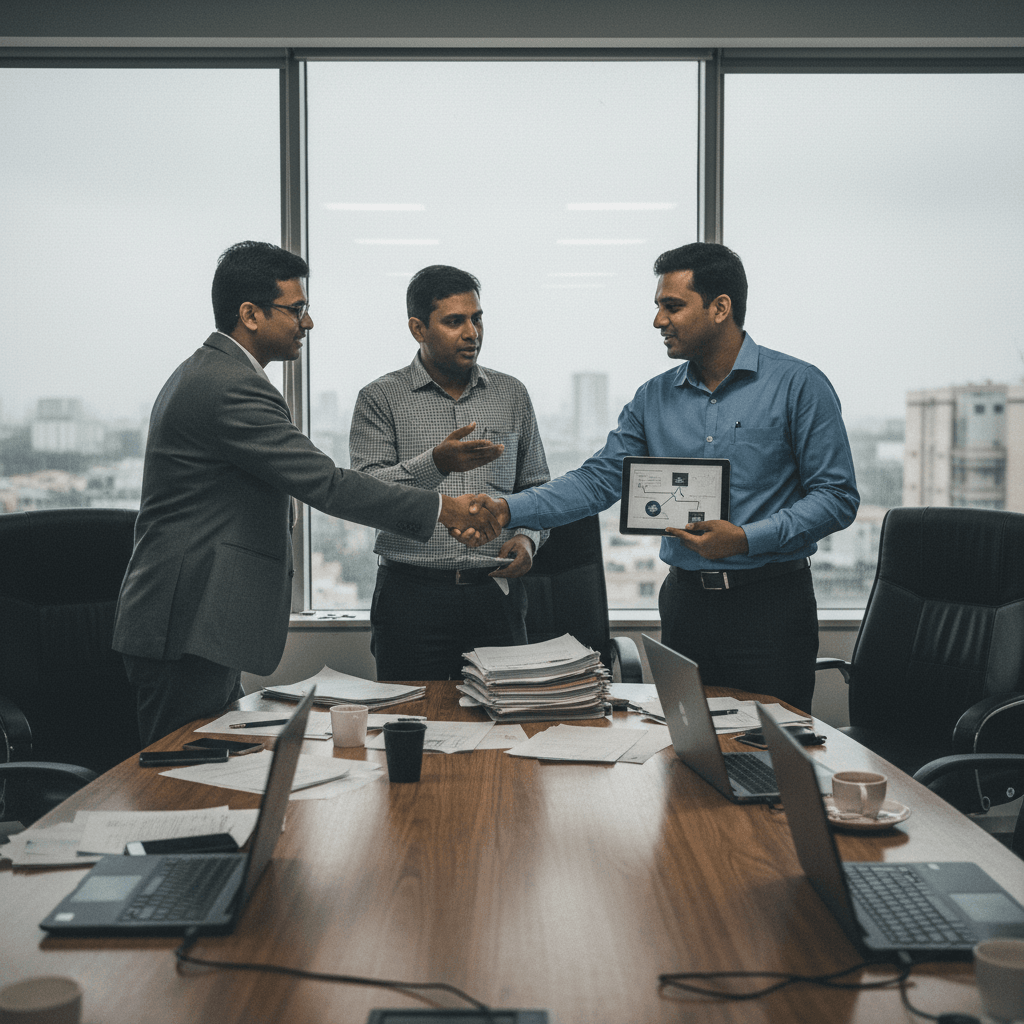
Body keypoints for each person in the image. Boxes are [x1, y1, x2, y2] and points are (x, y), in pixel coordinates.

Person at [112, 241, 500, 744]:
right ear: (250, 314)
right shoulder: (230, 386)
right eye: (297, 309)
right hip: (187, 624)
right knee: (181, 782)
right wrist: (442, 508)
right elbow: (324, 483)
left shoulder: (211, 372)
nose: (308, 322)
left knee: (207, 770)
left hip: (195, 622)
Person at [464, 243, 858, 710]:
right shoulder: (653, 399)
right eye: (657, 307)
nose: (658, 321)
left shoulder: (797, 385)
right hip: (686, 606)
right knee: (688, 750)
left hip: (771, 604)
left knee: (770, 754)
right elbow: (598, 481)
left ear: (720, 308)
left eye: (672, 306)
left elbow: (836, 496)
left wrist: (746, 538)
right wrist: (509, 508)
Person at [349, 264, 550, 681]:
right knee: (413, 723)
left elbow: (535, 486)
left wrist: (528, 539)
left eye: (477, 319)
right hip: (412, 597)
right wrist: (436, 464)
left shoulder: (511, 394)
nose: (472, 332)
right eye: (454, 321)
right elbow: (366, 495)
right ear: (418, 328)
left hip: (495, 594)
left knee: (504, 727)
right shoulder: (379, 399)